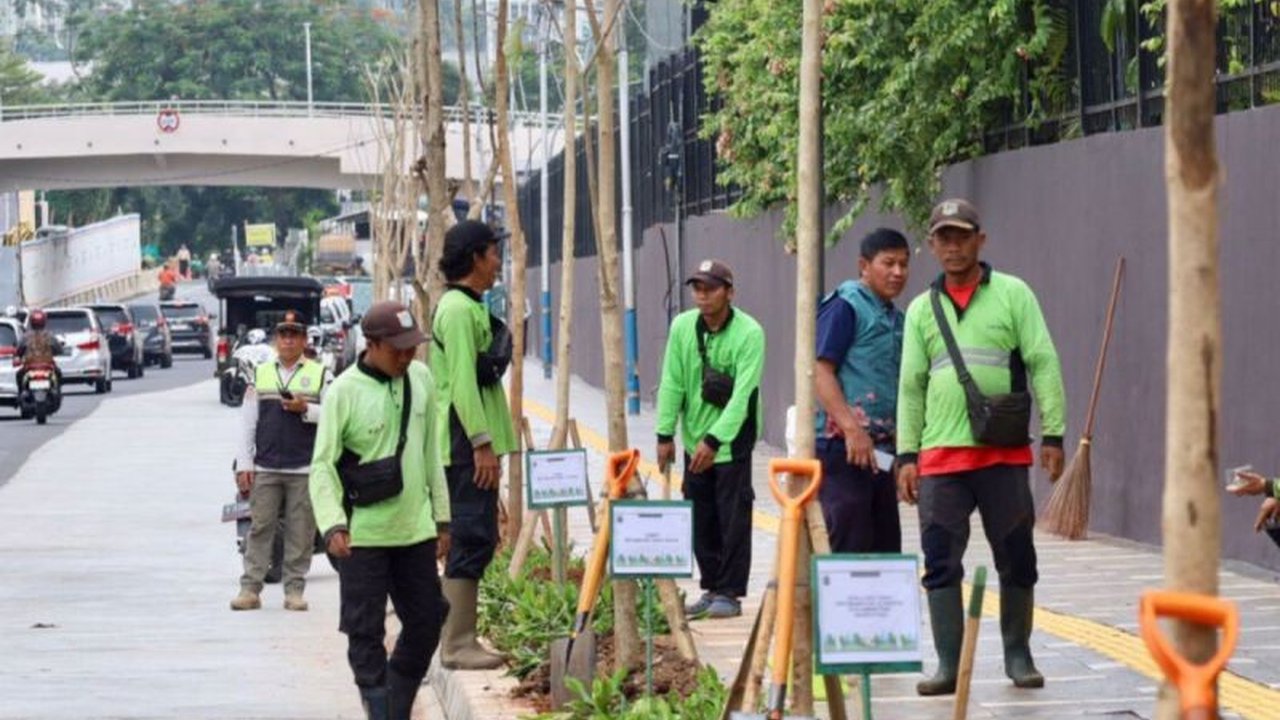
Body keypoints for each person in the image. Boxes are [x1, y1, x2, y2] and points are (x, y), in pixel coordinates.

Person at [896, 199, 1066, 696]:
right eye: (943, 237)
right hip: (941, 459)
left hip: (1003, 456)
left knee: (1017, 557)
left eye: (962, 236)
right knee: (939, 560)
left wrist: (1054, 433)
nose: (953, 246)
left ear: (981, 241)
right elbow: (911, 385)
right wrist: (908, 456)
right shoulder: (921, 310)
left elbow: (1044, 362)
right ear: (932, 245)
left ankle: (1018, 652)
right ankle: (948, 663)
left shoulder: (1014, 295)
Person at [311, 301, 450, 720]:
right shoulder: (343, 392)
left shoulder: (420, 379)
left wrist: (442, 519)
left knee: (428, 620)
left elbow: (430, 455)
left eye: (412, 348)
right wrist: (332, 523)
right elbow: (322, 465)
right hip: (362, 538)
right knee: (365, 631)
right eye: (398, 350)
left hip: (414, 532)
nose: (407, 357)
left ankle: (394, 704)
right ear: (371, 344)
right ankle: (380, 709)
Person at [656, 259, 765, 620]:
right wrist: (664, 433)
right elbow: (672, 380)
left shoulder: (750, 333)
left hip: (732, 442)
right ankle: (711, 587)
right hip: (693, 440)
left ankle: (730, 592)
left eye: (711, 288)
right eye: (697, 288)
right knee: (700, 516)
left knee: (732, 516)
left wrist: (715, 441)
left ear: (729, 293)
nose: (702, 296)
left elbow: (742, 395)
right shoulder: (682, 328)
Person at [430, 220, 517, 670]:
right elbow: (462, 383)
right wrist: (482, 444)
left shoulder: (469, 306)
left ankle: (461, 637)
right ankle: (457, 643)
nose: (498, 261)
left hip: (472, 441)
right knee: (471, 536)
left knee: (478, 536)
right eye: (493, 252)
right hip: (466, 445)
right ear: (475, 258)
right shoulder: (459, 311)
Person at [814, 229, 910, 553]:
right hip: (843, 450)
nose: (898, 272)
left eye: (903, 264)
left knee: (885, 549)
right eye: (888, 263)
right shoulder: (846, 306)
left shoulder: (896, 317)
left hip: (880, 454)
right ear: (864, 266)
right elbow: (820, 371)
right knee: (850, 547)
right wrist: (852, 429)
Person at [231, 311, 333, 612]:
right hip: (266, 467)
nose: (288, 340)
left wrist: (306, 409)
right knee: (260, 528)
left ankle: (294, 591)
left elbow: (334, 415)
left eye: (294, 334)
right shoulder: (260, 373)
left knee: (300, 532)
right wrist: (245, 463)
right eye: (283, 334)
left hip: (304, 468)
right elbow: (248, 422)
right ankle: (250, 589)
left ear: (304, 340)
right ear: (277, 340)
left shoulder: (321, 374)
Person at [16, 308, 64, 388]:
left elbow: (19, 350)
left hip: (31, 367)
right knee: (58, 373)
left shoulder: (26, 337)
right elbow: (59, 349)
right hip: (46, 366)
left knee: (19, 375)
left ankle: (22, 392)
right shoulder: (49, 336)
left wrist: (19, 356)